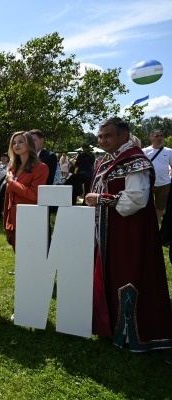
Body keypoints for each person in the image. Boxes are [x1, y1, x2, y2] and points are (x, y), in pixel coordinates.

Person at [85, 117, 172, 352]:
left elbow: (137, 199)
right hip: (108, 230)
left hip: (129, 232)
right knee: (109, 272)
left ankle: (129, 332)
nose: (102, 140)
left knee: (128, 273)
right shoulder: (108, 160)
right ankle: (109, 325)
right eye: (100, 136)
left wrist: (101, 199)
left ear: (123, 135)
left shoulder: (134, 160)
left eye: (108, 136)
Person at [3, 131, 49, 250]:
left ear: (29, 144)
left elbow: (34, 195)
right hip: (12, 222)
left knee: (31, 256)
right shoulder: (12, 168)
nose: (16, 145)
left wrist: (12, 183)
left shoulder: (41, 167)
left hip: (29, 220)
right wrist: (6, 223)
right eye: (14, 143)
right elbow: (8, 198)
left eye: (20, 142)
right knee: (17, 255)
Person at [142, 130, 172, 224]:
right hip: (148, 183)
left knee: (160, 207)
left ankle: (157, 226)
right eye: (157, 136)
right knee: (145, 206)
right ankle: (147, 225)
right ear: (151, 138)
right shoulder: (144, 151)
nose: (160, 138)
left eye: (161, 135)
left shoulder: (169, 151)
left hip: (164, 184)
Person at [0, 153, 10, 219]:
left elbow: (6, 173)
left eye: (5, 157)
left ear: (8, 158)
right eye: (2, 156)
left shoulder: (9, 165)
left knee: (0, 198)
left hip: (3, 183)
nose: (3, 158)